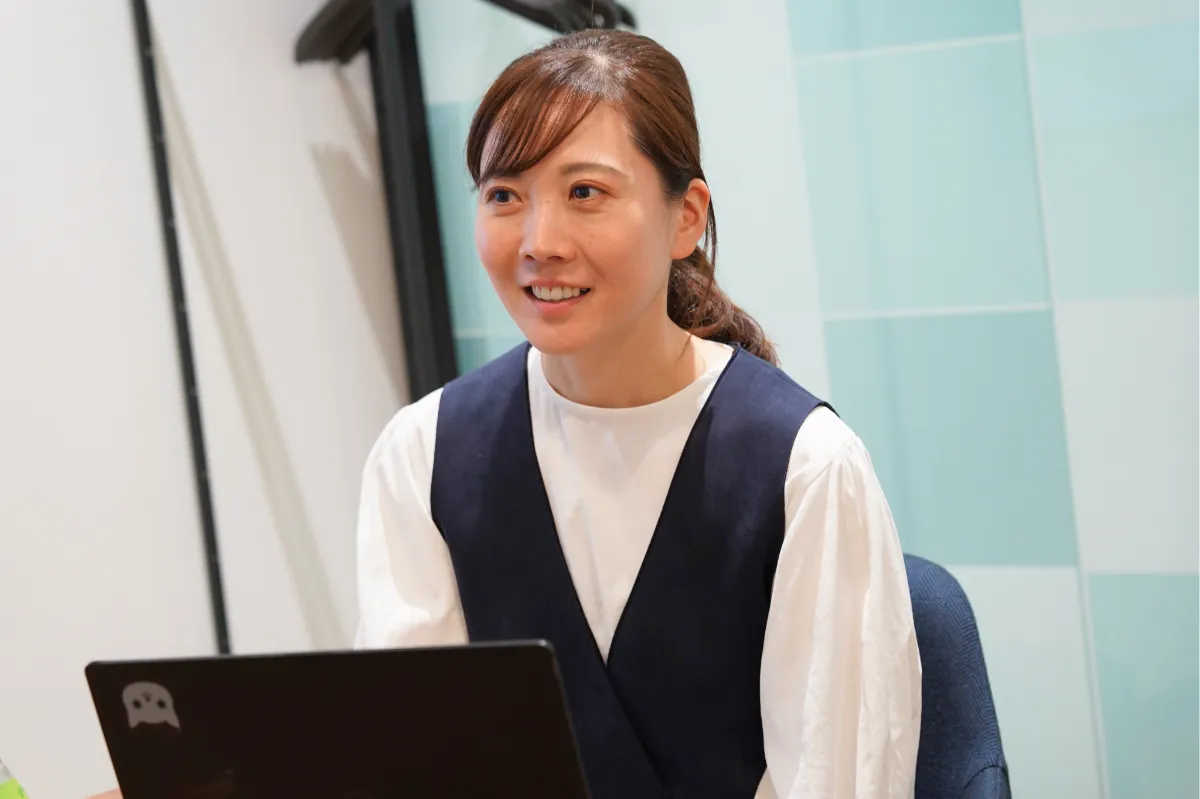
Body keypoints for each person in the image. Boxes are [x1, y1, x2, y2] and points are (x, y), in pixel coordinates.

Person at [90, 27, 921, 799]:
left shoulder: (805, 468)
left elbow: (840, 778)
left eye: (585, 191)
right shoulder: (424, 455)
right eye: (504, 195)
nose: (538, 241)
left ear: (686, 218)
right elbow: (413, 765)